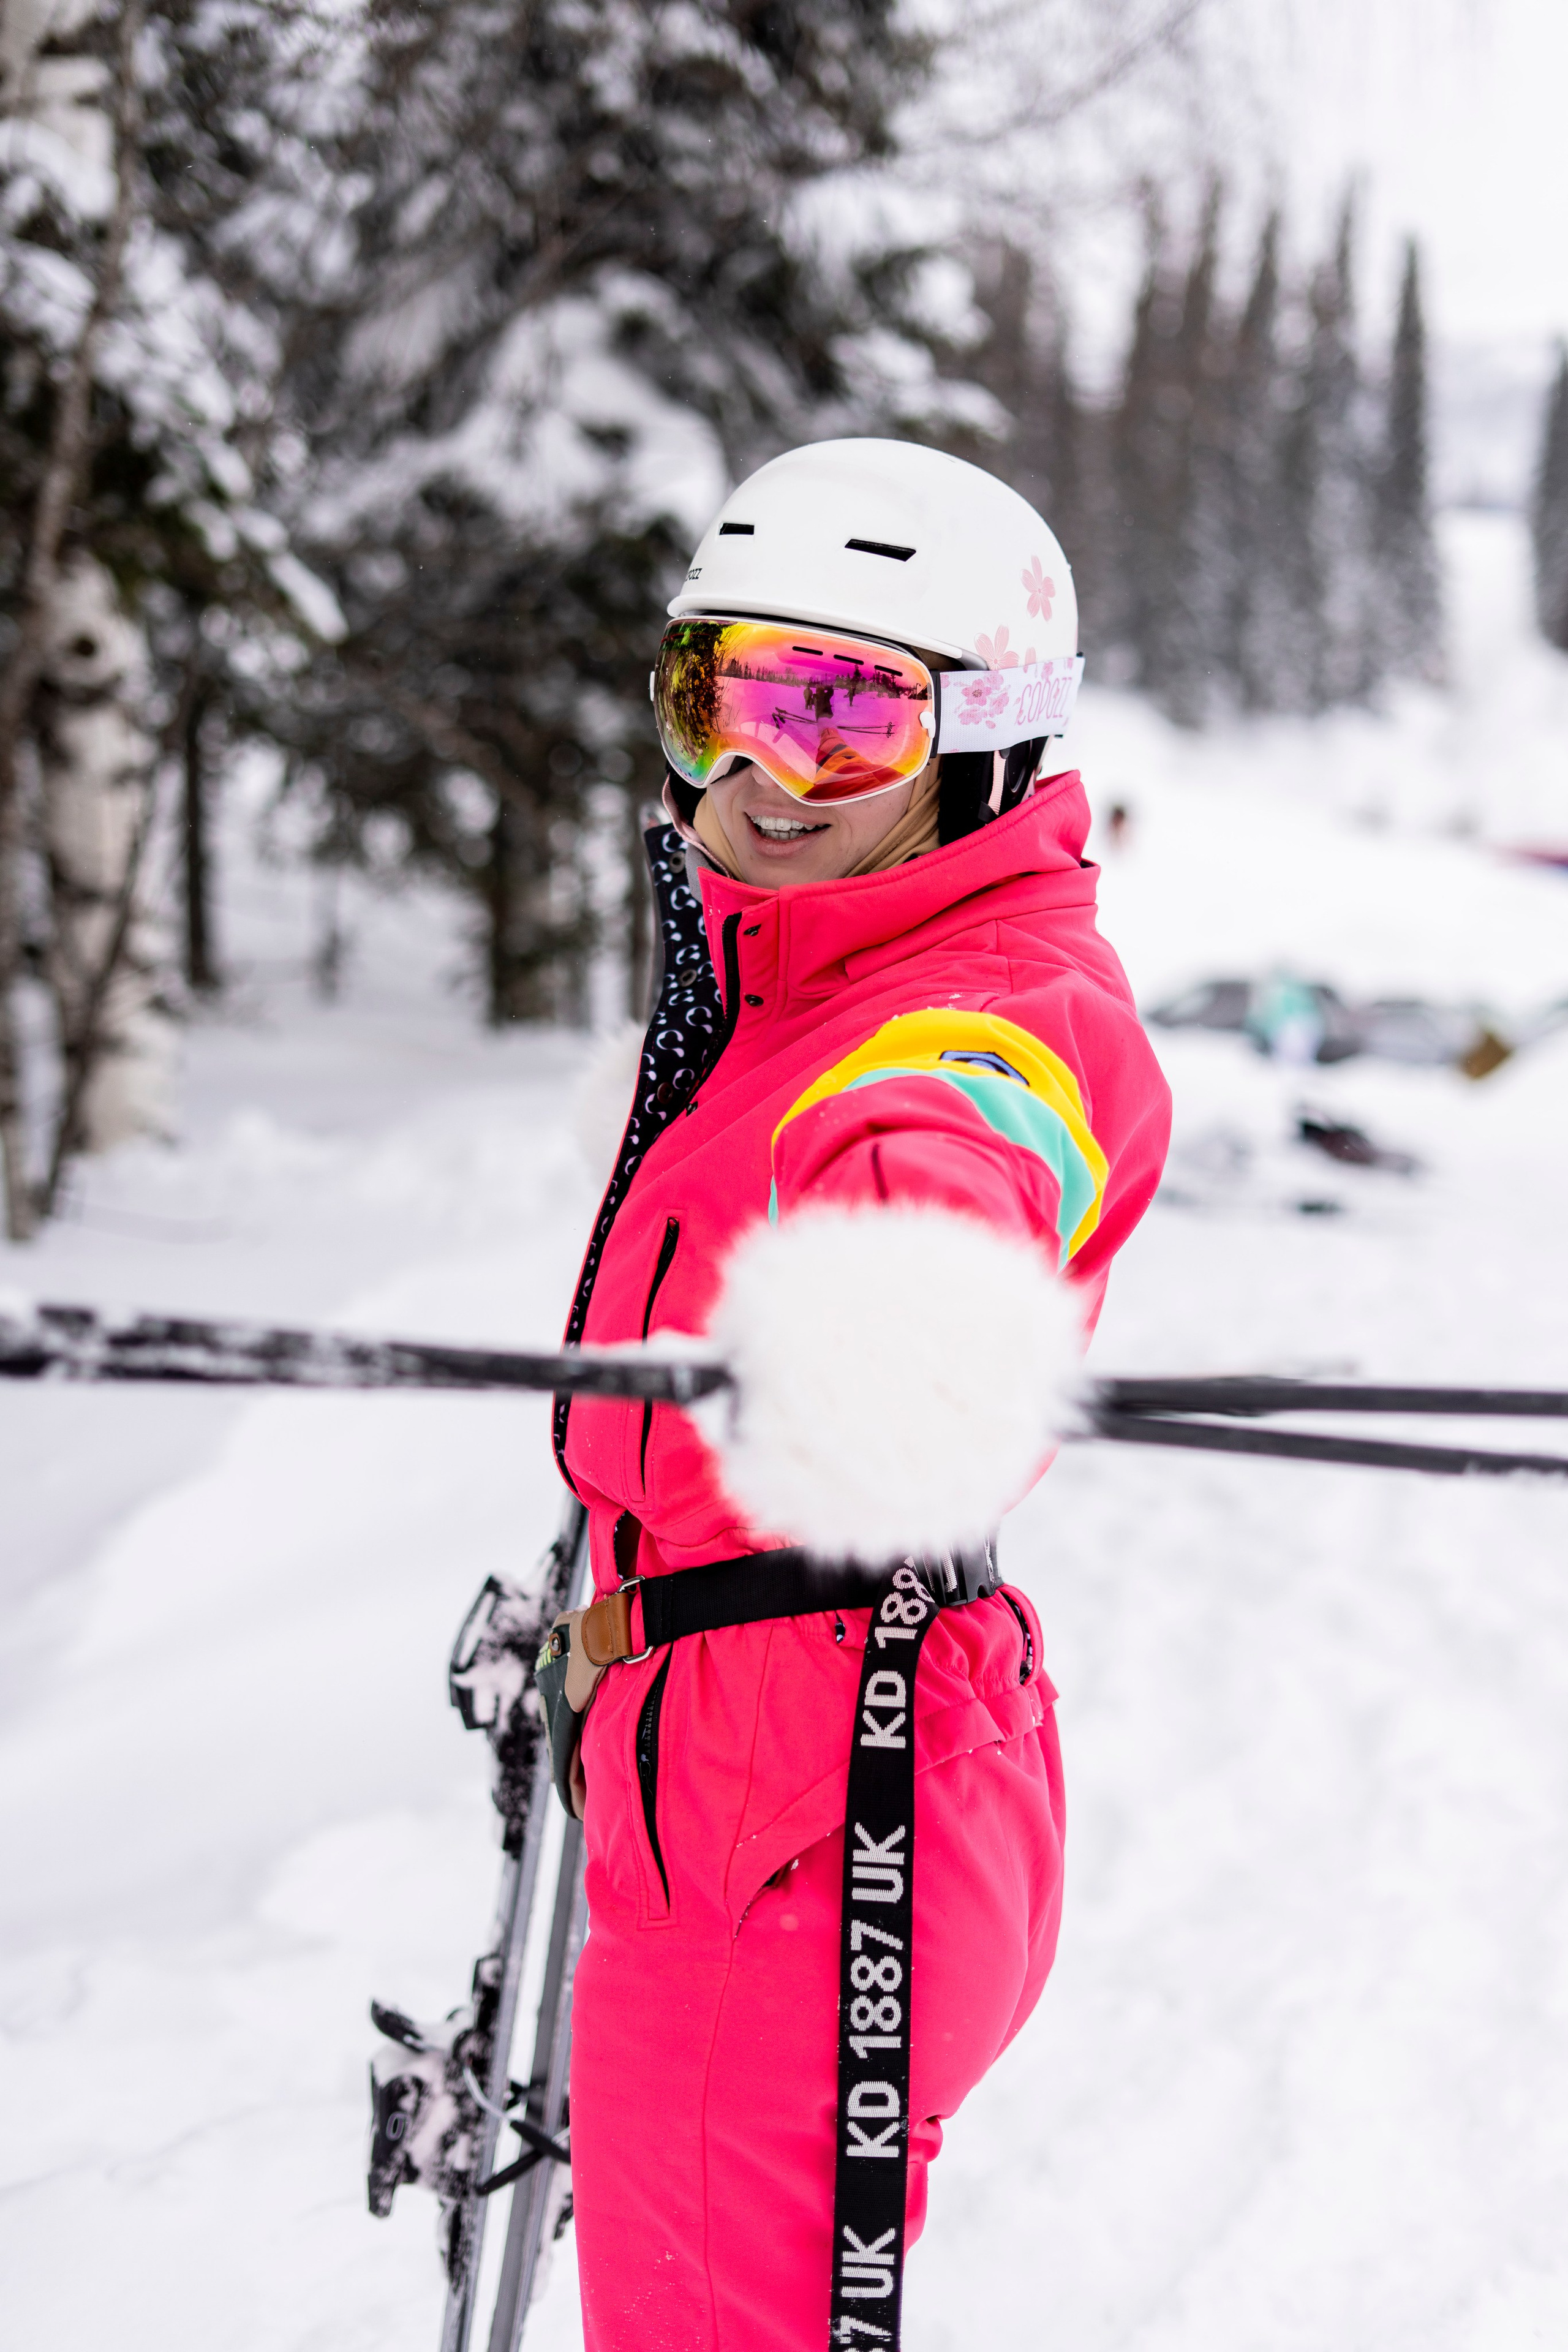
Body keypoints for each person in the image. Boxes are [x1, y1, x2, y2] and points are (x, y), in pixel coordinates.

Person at [546, 439, 1171, 2350]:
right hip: (738, 1772)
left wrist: (908, 1285)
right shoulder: (806, 968)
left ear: (984, 740)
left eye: (842, 720)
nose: (759, 775)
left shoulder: (981, 1003)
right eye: (718, 702)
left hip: (806, 1827)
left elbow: (964, 1121)